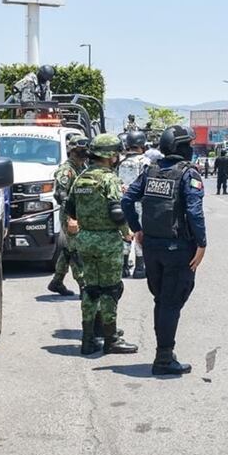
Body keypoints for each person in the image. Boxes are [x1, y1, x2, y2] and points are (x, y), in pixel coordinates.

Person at [122, 125, 207, 376]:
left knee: (162, 301)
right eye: (188, 145)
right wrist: (202, 244)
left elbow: (127, 200)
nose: (191, 149)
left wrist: (137, 229)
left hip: (152, 248)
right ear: (181, 148)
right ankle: (163, 359)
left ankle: (165, 353)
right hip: (177, 249)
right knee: (171, 303)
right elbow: (193, 211)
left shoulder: (151, 172)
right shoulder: (188, 174)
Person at [64, 133, 139, 356]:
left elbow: (70, 209)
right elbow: (117, 211)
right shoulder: (109, 179)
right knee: (110, 290)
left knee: (90, 290)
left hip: (85, 240)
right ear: (110, 156)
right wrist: (127, 232)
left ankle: (88, 340)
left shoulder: (81, 178)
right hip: (107, 241)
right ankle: (111, 339)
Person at [47, 135, 89, 297]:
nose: (84, 153)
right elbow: (60, 194)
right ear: (72, 150)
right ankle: (84, 285)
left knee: (68, 249)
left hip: (80, 214)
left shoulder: (81, 167)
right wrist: (72, 216)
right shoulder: (67, 170)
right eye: (80, 149)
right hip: (70, 215)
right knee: (76, 251)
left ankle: (57, 281)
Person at [117, 130, 149, 279]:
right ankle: (139, 267)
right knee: (140, 233)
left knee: (126, 233)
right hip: (141, 203)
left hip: (123, 202)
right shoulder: (145, 162)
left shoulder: (121, 162)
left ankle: (124, 267)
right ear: (142, 144)